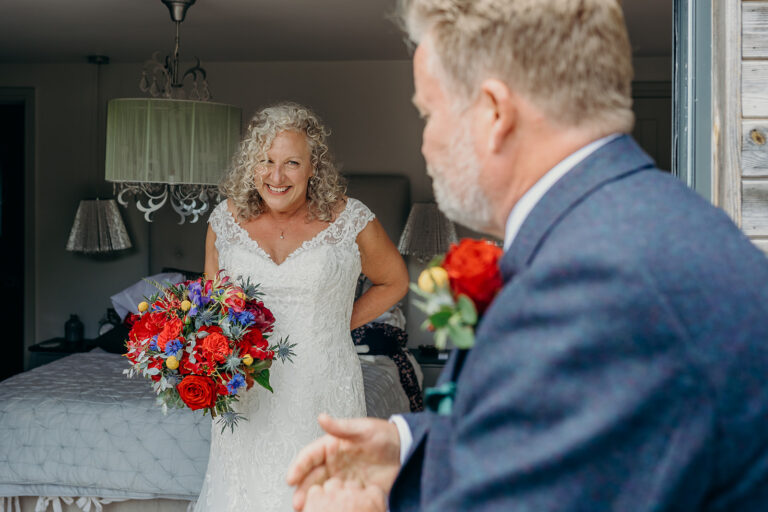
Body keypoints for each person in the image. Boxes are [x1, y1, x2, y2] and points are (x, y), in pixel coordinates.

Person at [286, 1, 768, 511]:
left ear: (495, 113)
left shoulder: (592, 281)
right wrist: (412, 448)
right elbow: (566, 439)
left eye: (429, 113)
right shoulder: (642, 222)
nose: (426, 141)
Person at [195, 101, 409, 511]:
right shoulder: (224, 220)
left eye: (292, 162)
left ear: (314, 167)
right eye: (265, 160)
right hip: (248, 394)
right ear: (250, 164)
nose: (276, 176)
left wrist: (337, 323)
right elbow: (214, 309)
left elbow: (394, 280)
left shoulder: (351, 220)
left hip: (323, 387)